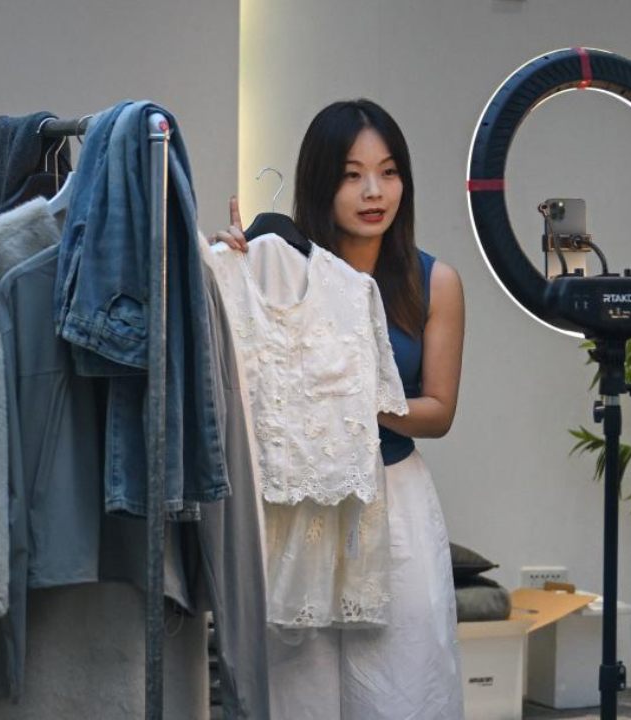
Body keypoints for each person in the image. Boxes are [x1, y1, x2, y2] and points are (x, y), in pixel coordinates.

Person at [212, 98, 466, 718]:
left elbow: (438, 411)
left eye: (389, 171)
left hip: (395, 497)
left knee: (404, 678)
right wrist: (234, 277)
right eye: (352, 175)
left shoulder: (435, 282)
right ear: (321, 182)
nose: (373, 191)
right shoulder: (278, 271)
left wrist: (350, 400)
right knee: (300, 687)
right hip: (300, 504)